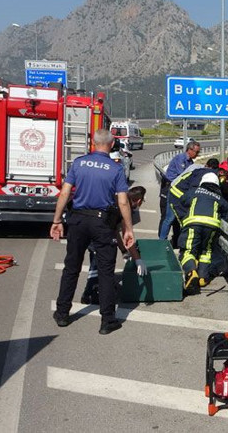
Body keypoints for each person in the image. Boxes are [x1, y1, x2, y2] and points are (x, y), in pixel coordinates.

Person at [50, 129, 134, 335]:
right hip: (101, 222)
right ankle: (107, 320)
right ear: (112, 144)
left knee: (72, 267)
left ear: (93, 143)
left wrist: (57, 220)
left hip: (78, 220)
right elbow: (123, 201)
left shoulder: (79, 163)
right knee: (106, 271)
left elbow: (65, 193)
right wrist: (128, 229)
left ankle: (62, 314)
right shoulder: (115, 169)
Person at [80, 186, 148, 304]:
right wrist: (137, 259)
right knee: (98, 262)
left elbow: (115, 231)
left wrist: (123, 251)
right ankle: (90, 294)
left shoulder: (117, 198)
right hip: (97, 231)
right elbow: (127, 236)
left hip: (88, 224)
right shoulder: (125, 207)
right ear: (139, 200)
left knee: (97, 260)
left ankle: (95, 290)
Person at [176, 172, 228, 295]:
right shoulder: (219, 198)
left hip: (193, 225)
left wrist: (183, 220)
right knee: (206, 252)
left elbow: (179, 204)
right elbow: (227, 216)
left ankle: (191, 272)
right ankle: (202, 277)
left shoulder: (193, 192)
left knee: (187, 251)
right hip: (212, 228)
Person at [159, 140, 201, 241]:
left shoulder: (190, 162)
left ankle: (176, 240)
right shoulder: (181, 159)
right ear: (190, 150)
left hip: (180, 190)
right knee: (169, 218)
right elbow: (182, 176)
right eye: (196, 152)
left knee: (177, 219)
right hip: (172, 189)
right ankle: (162, 240)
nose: (198, 154)